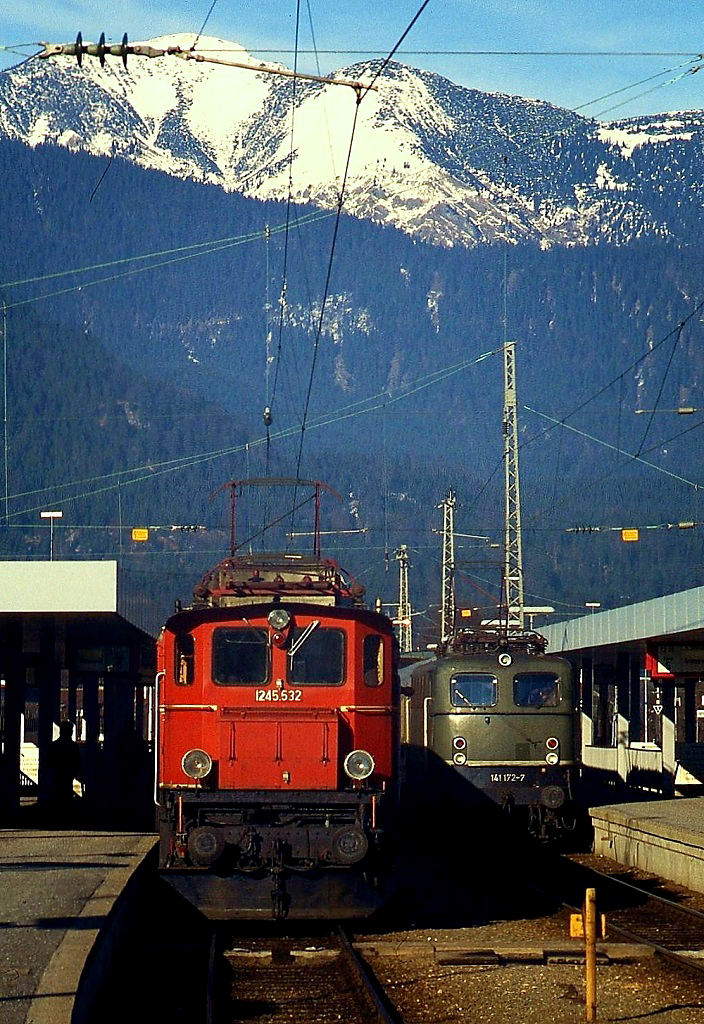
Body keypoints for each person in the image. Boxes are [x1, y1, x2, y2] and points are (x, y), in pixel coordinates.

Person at [47, 720, 83, 822]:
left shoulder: (55, 746)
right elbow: (77, 761)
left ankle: (61, 814)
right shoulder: (71, 746)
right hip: (63, 774)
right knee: (64, 793)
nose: (71, 733)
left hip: (62, 774)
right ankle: (65, 814)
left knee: (62, 793)